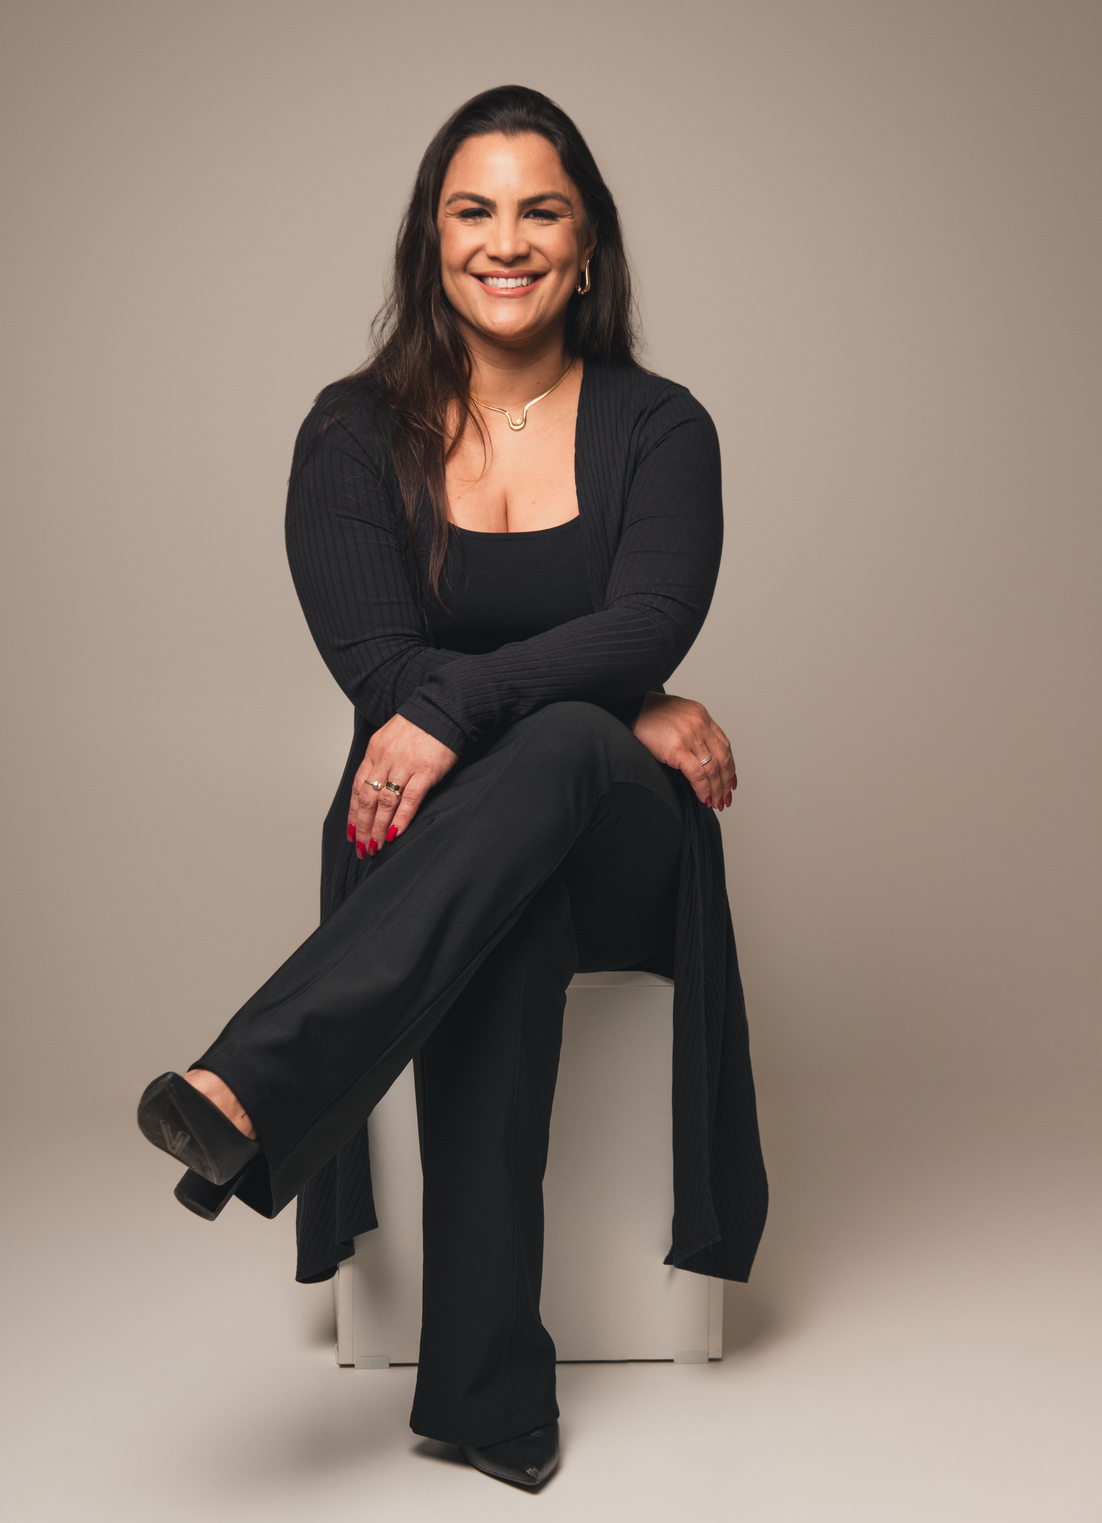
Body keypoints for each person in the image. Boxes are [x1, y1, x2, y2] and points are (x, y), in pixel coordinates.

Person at [137, 85, 768, 1489]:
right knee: (508, 902)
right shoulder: (350, 434)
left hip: (620, 838)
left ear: (587, 243)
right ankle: (484, 1395)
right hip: (440, 837)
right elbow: (376, 665)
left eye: (541, 211)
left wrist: (580, 696)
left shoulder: (662, 427)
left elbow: (650, 618)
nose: (507, 240)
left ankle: (255, 1076)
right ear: (431, 240)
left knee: (563, 750)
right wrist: (610, 686)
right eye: (473, 211)